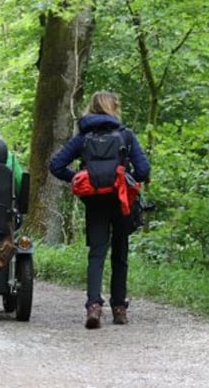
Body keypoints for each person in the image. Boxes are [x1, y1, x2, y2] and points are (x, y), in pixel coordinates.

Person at [49, 91, 150, 329]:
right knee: (120, 253)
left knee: (96, 253)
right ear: (114, 108)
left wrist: (78, 179)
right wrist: (127, 180)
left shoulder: (83, 137)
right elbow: (144, 169)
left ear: (91, 108)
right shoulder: (125, 135)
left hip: (94, 200)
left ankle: (93, 306)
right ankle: (119, 308)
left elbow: (56, 164)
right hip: (121, 200)